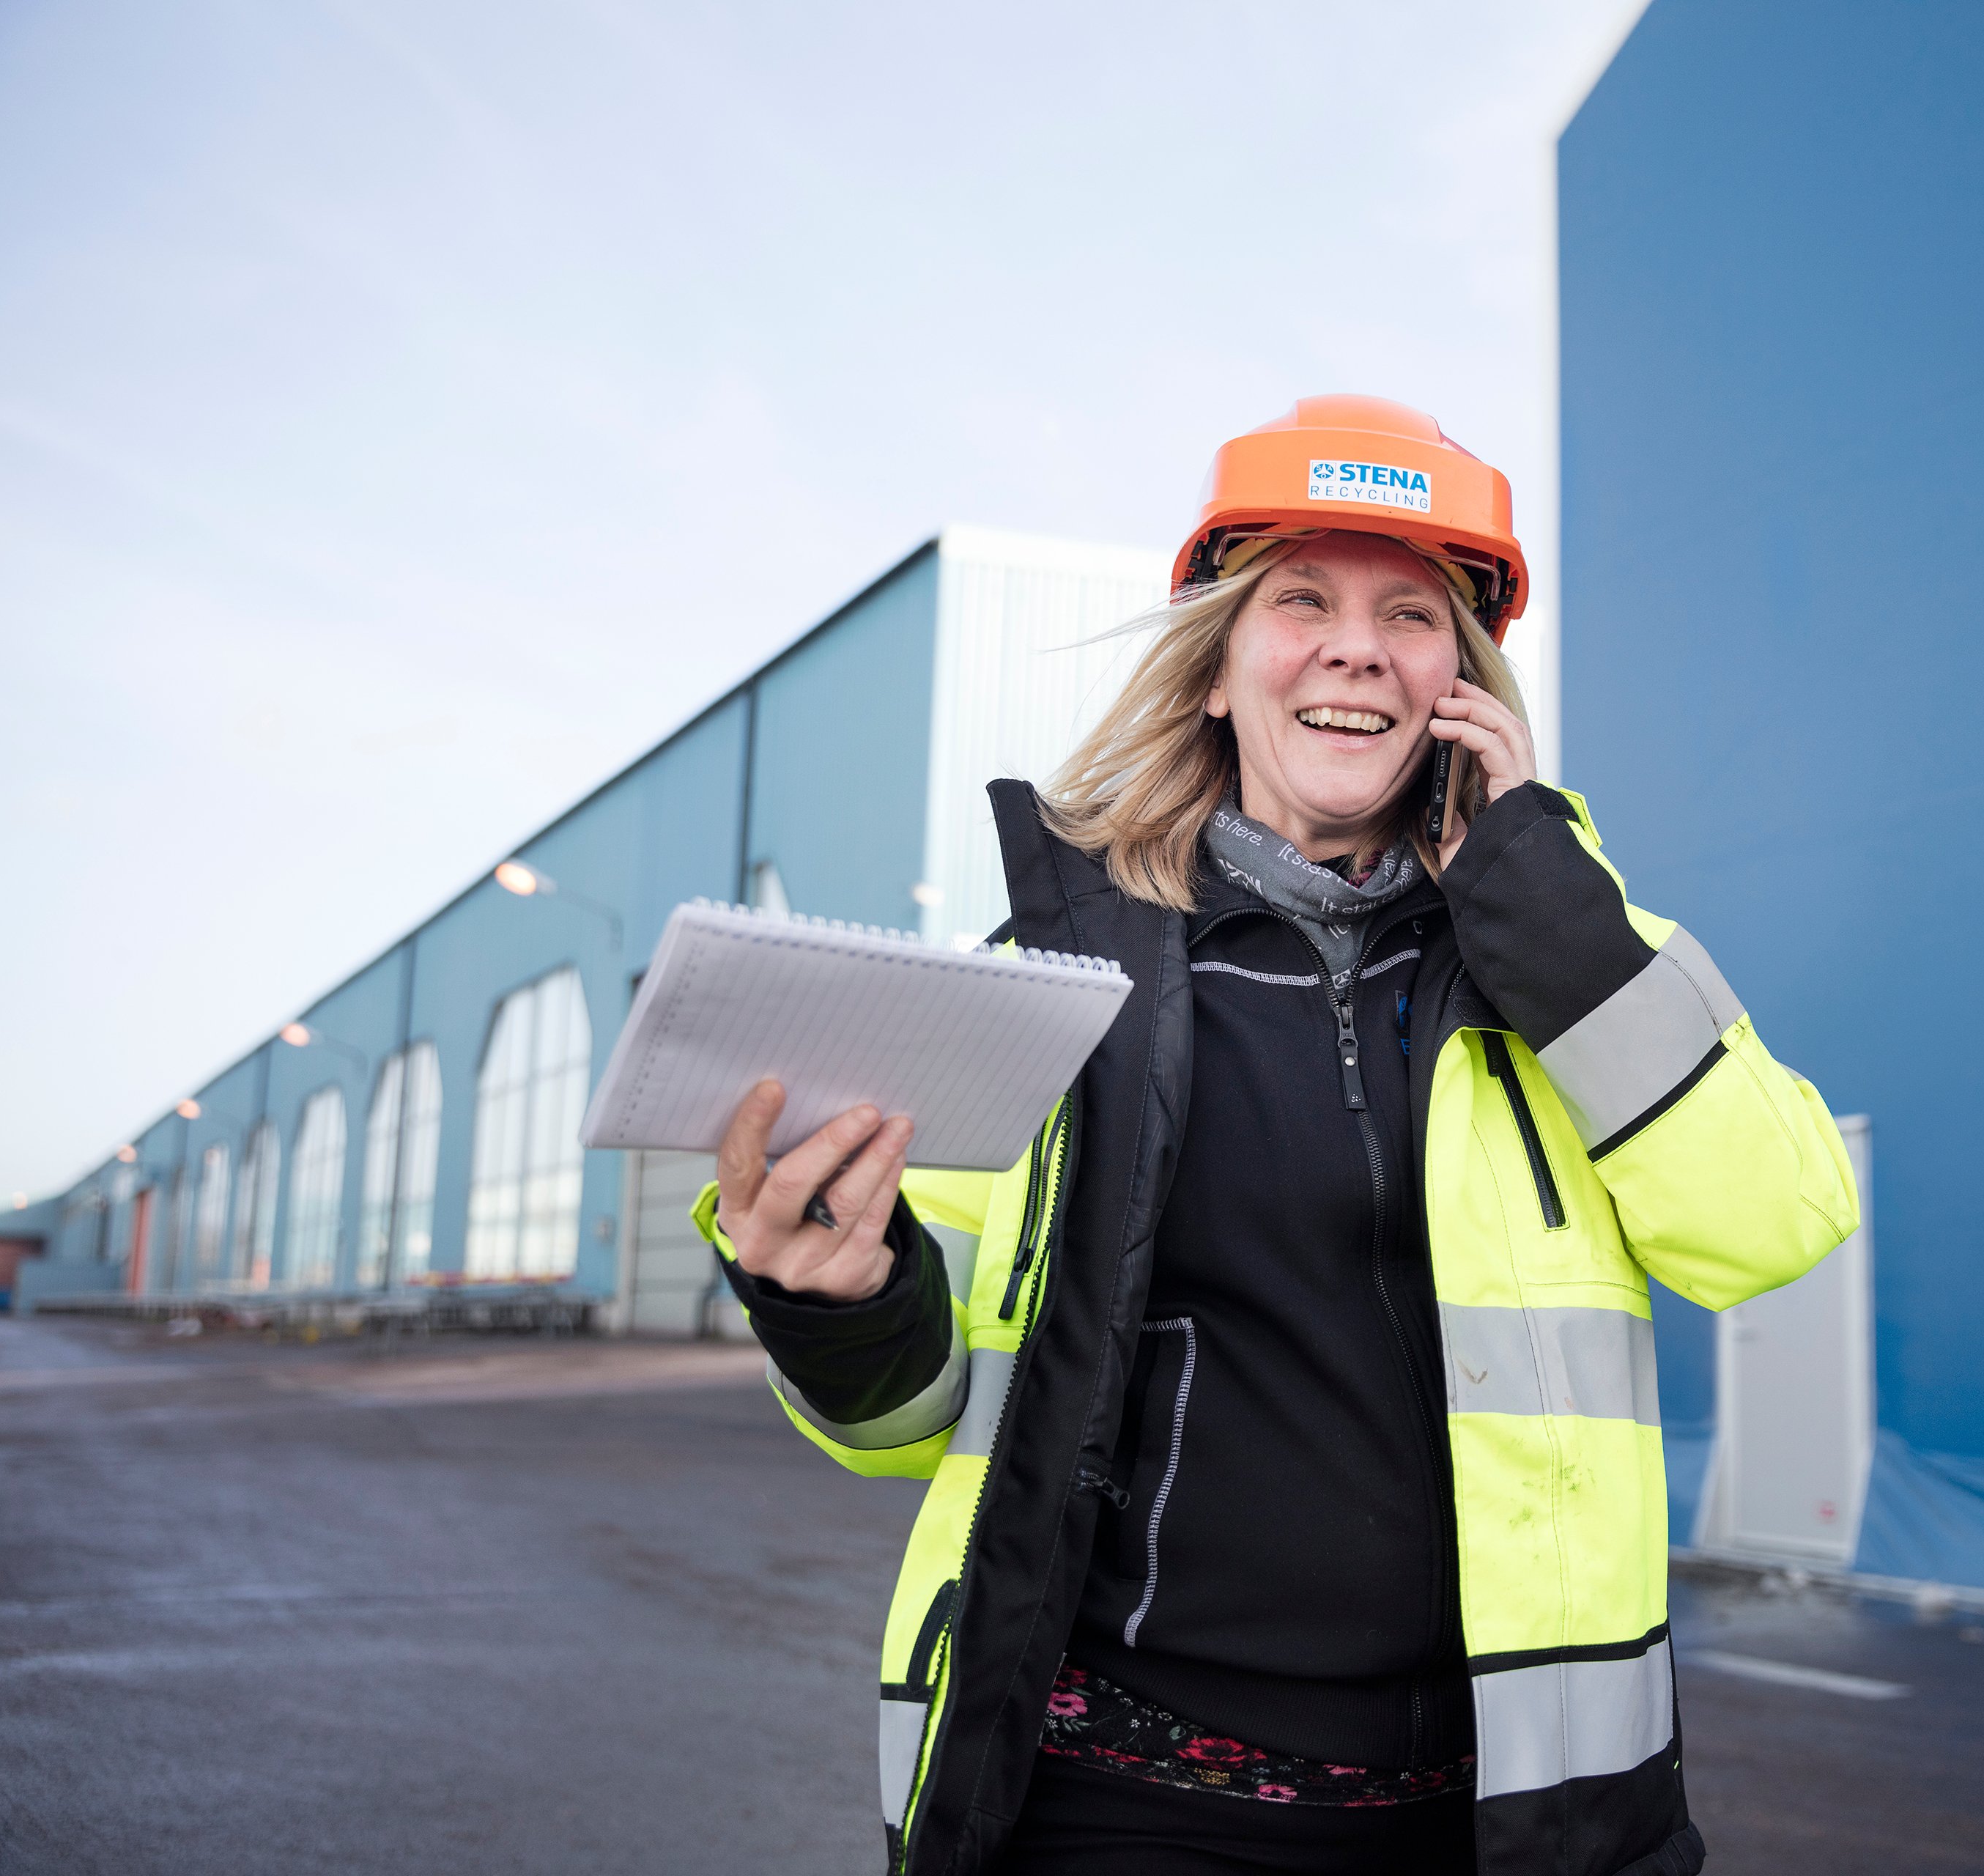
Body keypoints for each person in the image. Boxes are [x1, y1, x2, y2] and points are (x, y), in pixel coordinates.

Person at [698, 396, 1859, 1876]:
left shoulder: (1585, 950)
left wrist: (1545, 907)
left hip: (1514, 1819)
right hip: (1128, 1795)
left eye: (1412, 613)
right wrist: (835, 1299)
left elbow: (1776, 1223)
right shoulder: (1059, 975)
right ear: (1217, 670)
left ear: (1462, 680)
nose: (1356, 644)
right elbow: (910, 1418)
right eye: (1300, 598)